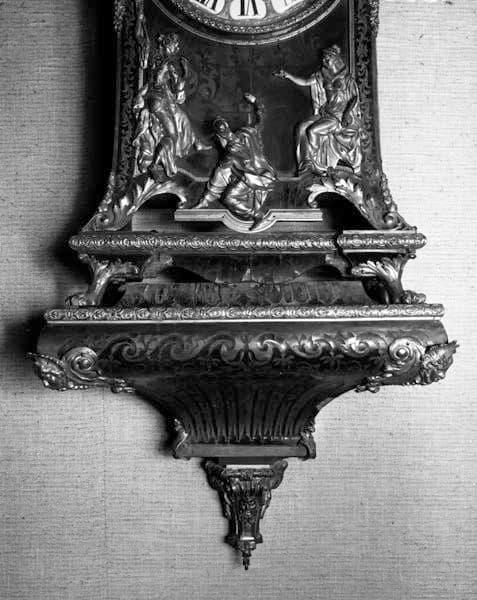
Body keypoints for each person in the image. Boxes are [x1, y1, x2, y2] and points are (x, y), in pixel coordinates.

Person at [275, 45, 362, 176]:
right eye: (323, 59)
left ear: (335, 59)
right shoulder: (322, 76)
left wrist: (347, 113)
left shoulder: (347, 79)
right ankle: (305, 165)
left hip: (338, 117)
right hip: (326, 113)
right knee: (301, 127)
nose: (324, 61)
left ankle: (314, 164)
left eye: (327, 58)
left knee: (313, 131)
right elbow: (305, 82)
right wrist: (288, 76)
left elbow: (355, 98)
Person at [133, 33, 208, 180]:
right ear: (168, 45)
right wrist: (185, 73)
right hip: (161, 101)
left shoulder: (155, 59)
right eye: (175, 45)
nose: (177, 48)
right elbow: (176, 87)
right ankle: (155, 164)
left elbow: (155, 81)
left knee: (182, 117)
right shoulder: (168, 63)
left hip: (156, 99)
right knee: (171, 137)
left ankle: (196, 143)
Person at [195, 93, 277, 228]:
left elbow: (224, 166)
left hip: (252, 177)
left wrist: (204, 147)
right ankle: (205, 200)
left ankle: (257, 215)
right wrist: (255, 102)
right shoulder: (246, 133)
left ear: (220, 135)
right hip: (258, 173)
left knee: (228, 198)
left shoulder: (233, 147)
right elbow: (260, 118)